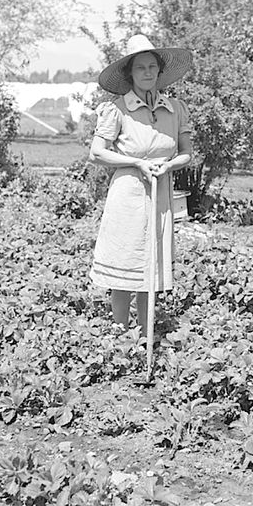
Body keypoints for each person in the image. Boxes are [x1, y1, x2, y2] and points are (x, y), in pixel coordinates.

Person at [88, 34, 193, 335]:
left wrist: (169, 165)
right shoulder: (116, 109)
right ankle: (121, 334)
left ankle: (146, 334)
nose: (147, 73)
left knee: (151, 266)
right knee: (124, 263)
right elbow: (97, 152)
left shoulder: (175, 108)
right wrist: (136, 163)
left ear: (160, 72)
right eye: (140, 68)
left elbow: (186, 153)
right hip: (128, 192)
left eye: (152, 67)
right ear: (130, 74)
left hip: (160, 192)